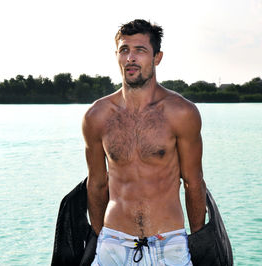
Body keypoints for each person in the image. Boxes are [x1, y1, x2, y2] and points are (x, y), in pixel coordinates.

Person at [82, 19, 207, 265]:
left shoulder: (181, 113)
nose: (131, 57)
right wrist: (100, 240)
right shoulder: (97, 116)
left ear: (157, 57)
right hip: (113, 243)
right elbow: (96, 184)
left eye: (140, 50)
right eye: (124, 50)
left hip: (169, 244)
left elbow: (194, 183)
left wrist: (199, 242)